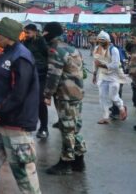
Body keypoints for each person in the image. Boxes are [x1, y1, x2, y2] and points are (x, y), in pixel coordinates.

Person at [0, 17, 41, 194]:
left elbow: (19, 93)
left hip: (16, 123)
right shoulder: (6, 52)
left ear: (8, 35)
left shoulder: (21, 57)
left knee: (23, 171)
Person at [43, 22, 86, 175]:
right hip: (77, 92)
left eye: (44, 33)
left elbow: (54, 75)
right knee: (74, 127)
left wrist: (47, 94)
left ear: (49, 33)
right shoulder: (71, 47)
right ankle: (79, 160)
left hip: (65, 94)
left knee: (67, 128)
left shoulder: (56, 50)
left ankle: (66, 162)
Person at [21, 24, 50, 139]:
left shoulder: (41, 42)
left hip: (41, 76)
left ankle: (44, 128)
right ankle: (28, 124)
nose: (26, 34)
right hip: (29, 75)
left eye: (28, 32)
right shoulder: (25, 42)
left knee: (40, 102)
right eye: (25, 32)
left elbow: (48, 57)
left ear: (35, 32)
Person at [92, 31, 127, 124]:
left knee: (113, 97)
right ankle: (105, 117)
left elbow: (115, 65)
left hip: (114, 77)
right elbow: (95, 62)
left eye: (102, 41)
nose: (101, 43)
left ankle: (121, 107)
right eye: (99, 41)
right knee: (102, 97)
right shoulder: (97, 48)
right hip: (102, 76)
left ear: (108, 41)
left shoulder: (114, 50)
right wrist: (94, 74)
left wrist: (102, 65)